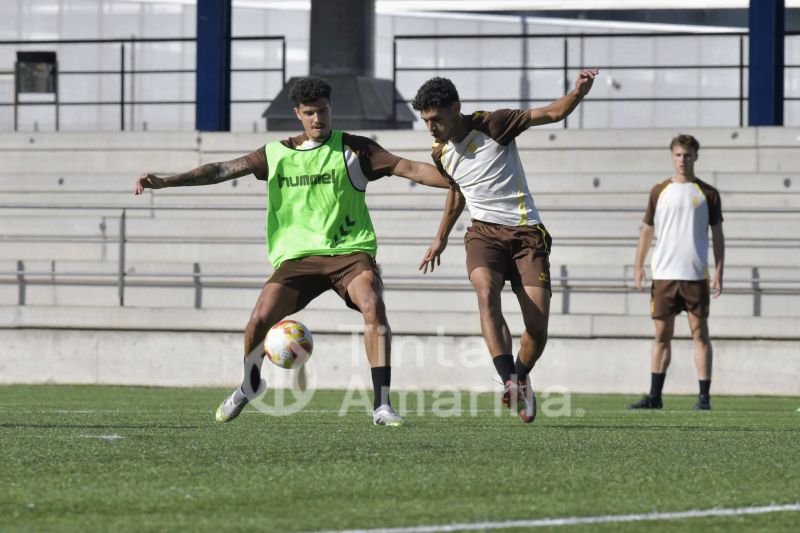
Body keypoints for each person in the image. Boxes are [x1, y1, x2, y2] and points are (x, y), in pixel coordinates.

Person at [134, 76, 450, 426]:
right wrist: (166, 181)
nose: (319, 119)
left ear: (332, 110)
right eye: (311, 113)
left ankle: (381, 405)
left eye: (324, 111)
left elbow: (412, 169)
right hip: (296, 260)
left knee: (373, 304)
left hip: (349, 253)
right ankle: (250, 384)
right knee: (257, 321)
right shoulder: (276, 154)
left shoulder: (354, 148)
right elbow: (221, 170)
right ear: (297, 113)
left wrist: (462, 180)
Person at [412, 70, 598, 423]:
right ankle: (509, 380)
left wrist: (578, 92)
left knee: (537, 328)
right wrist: (441, 237)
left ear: (456, 109)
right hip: (484, 235)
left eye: (435, 119)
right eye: (425, 121)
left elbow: (553, 113)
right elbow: (457, 192)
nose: (431, 128)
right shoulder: (440, 153)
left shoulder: (494, 123)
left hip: (527, 235)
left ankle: (522, 374)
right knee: (485, 293)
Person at [628, 134, 724, 411]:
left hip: (695, 274)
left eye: (688, 154)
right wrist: (638, 266)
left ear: (696, 156)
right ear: (672, 156)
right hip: (664, 274)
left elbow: (717, 235)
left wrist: (719, 269)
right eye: (679, 154)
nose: (683, 159)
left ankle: (704, 397)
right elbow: (647, 229)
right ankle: (654, 396)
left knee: (699, 333)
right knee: (661, 335)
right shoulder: (659, 191)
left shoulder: (708, 193)